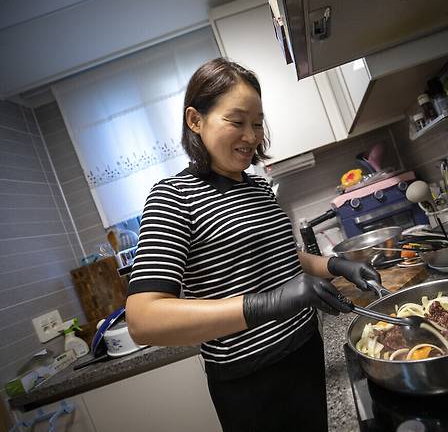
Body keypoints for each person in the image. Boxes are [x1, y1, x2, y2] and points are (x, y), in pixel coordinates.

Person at [125, 58, 381, 432]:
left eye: (258, 123)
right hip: (251, 381)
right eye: (237, 121)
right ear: (195, 121)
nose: (252, 135)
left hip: (306, 350)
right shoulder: (172, 197)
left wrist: (336, 265)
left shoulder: (258, 186)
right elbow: (144, 319)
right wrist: (267, 303)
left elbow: (277, 254)